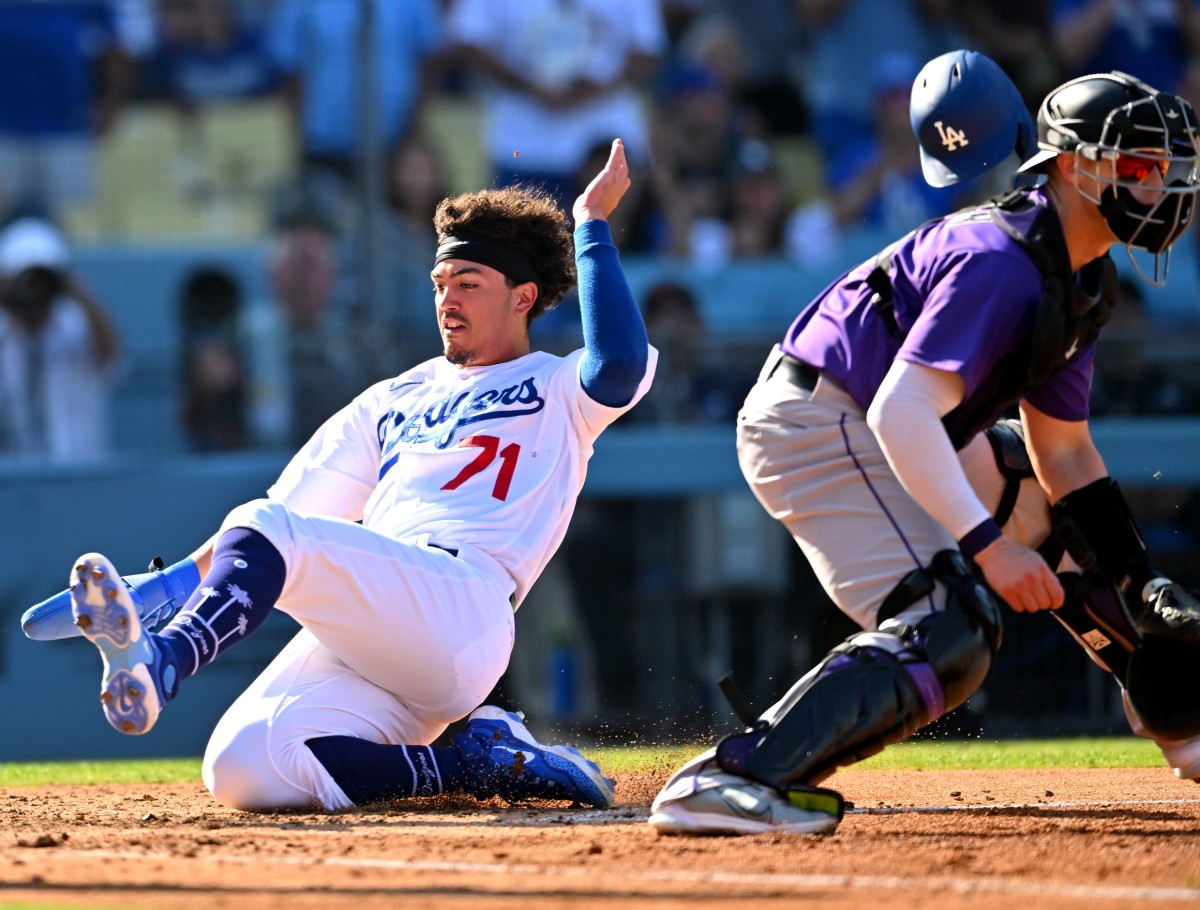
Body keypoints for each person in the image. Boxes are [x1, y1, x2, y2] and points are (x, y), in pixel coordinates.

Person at [22, 139, 656, 813]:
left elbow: (619, 366)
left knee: (269, 529)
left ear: (524, 296)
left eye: (470, 284)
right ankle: (471, 762)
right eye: (441, 283)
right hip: (380, 618)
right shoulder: (394, 397)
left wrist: (590, 224)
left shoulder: (558, 385)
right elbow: (275, 521)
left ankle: (166, 659)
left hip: (463, 607)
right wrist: (168, 584)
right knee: (243, 767)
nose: (449, 299)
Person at [648, 70, 1200, 836]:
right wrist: (990, 548)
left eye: (1169, 170)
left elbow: (1062, 453)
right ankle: (733, 773)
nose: (1164, 187)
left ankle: (1187, 726)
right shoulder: (1001, 262)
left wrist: (1139, 578)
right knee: (951, 623)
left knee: (1036, 493)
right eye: (1141, 168)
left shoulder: (1083, 278)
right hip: (818, 417)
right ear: (1076, 167)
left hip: (871, 416)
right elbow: (900, 412)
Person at [444, 0, 667, 211]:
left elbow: (648, 49)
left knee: (610, 243)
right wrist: (530, 87)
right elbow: (469, 41)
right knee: (519, 243)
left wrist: (596, 91)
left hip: (603, 146)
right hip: (523, 149)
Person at [0, 216, 120, 462]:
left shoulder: (79, 328)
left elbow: (111, 356)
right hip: (15, 480)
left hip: (79, 473)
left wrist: (79, 294)